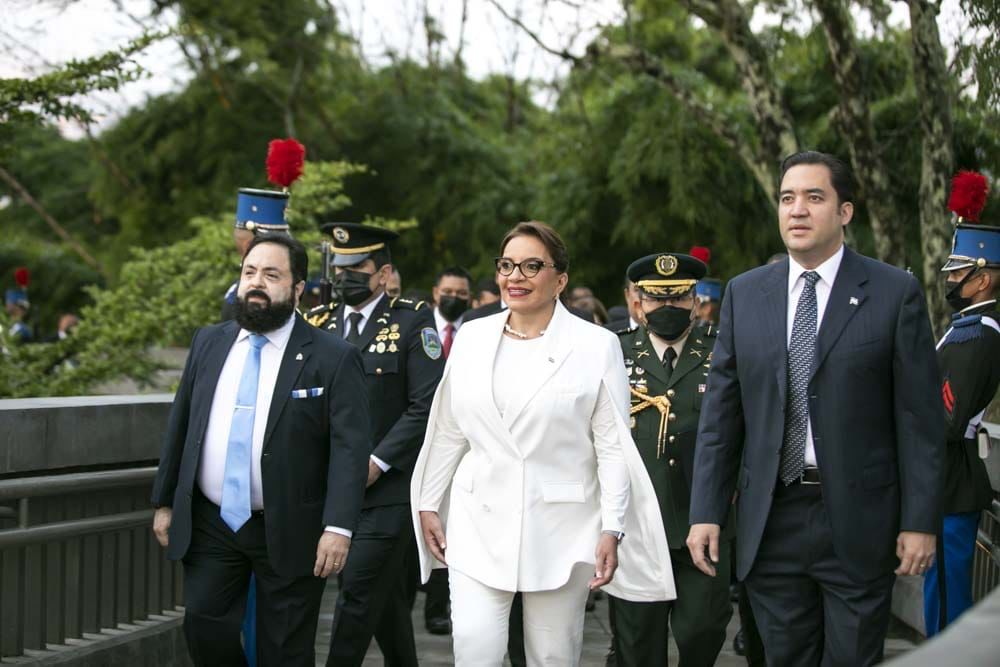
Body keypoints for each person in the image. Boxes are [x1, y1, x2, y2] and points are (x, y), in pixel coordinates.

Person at [687, 151, 944, 667]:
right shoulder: (745, 293)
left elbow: (919, 419)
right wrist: (706, 512)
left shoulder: (894, 293)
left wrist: (920, 521)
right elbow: (721, 416)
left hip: (857, 518)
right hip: (771, 519)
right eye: (787, 198)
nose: (797, 209)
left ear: (845, 212)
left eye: (813, 197)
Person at [411, 221, 674, 665]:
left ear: (560, 280)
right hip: (478, 522)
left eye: (532, 266)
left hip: (561, 527)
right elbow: (450, 429)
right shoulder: (473, 337)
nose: (516, 276)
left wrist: (612, 527)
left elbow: (612, 446)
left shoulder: (596, 345)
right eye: (507, 265)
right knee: (475, 649)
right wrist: (428, 501)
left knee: (553, 656)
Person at [150, 234, 371, 666]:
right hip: (213, 521)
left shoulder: (333, 356)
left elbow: (350, 449)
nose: (256, 282)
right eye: (249, 272)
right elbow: (182, 422)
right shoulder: (209, 341)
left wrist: (339, 528)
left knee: (285, 649)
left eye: (271, 275)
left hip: (292, 524)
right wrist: (164, 500)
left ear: (297, 288)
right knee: (203, 626)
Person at [306, 223, 444, 667]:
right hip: (329, 487)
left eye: (357, 268)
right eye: (339, 267)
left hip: (387, 489)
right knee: (382, 602)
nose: (344, 276)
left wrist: (377, 462)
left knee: (356, 592)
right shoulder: (319, 322)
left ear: (383, 275)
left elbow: (426, 405)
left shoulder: (412, 319)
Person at [611, 252, 732, 666]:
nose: (668, 307)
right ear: (638, 302)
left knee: (703, 629)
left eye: (678, 298)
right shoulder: (615, 352)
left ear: (695, 302)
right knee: (637, 644)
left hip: (704, 518)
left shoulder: (722, 349)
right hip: (637, 524)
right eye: (657, 298)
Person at [924, 170, 998, 636]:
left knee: (949, 600)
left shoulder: (978, 335)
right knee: (939, 590)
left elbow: (947, 419)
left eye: (959, 272)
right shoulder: (964, 328)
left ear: (983, 279)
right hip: (946, 479)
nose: (950, 279)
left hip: (953, 478)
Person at [422, 265, 474, 634]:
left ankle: (438, 607)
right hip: (420, 437)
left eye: (461, 293)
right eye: (448, 292)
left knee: (449, 522)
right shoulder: (420, 328)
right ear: (435, 292)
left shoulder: (475, 333)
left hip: (460, 440)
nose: (454, 298)